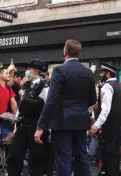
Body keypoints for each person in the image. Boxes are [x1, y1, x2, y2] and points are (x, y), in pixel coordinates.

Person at [35, 39, 97, 176]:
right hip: (81, 121)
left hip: (62, 123)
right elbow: (93, 99)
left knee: (64, 160)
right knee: (82, 158)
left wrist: (41, 126)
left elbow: (51, 100)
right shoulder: (88, 72)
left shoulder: (59, 70)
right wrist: (79, 107)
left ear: (65, 51)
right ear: (79, 53)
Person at [7, 59, 54, 176]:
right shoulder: (26, 86)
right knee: (14, 156)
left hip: (36, 126)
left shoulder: (45, 88)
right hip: (22, 125)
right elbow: (21, 106)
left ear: (36, 71)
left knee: (36, 160)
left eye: (30, 69)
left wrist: (49, 129)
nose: (27, 71)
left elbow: (49, 109)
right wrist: (16, 126)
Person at [87, 63, 121, 176]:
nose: (100, 75)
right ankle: (114, 172)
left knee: (108, 152)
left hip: (108, 125)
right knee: (115, 152)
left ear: (108, 73)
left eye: (102, 73)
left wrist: (96, 125)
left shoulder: (107, 86)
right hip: (118, 125)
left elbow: (106, 110)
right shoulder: (119, 85)